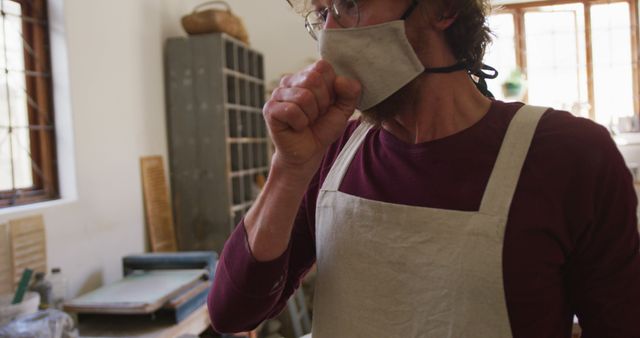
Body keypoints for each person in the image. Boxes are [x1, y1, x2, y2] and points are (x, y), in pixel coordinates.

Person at [208, 0, 640, 337]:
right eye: (322, 14)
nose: (330, 34)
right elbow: (232, 312)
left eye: (350, 4)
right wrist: (288, 168)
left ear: (445, 9)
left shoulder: (569, 156)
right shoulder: (332, 149)